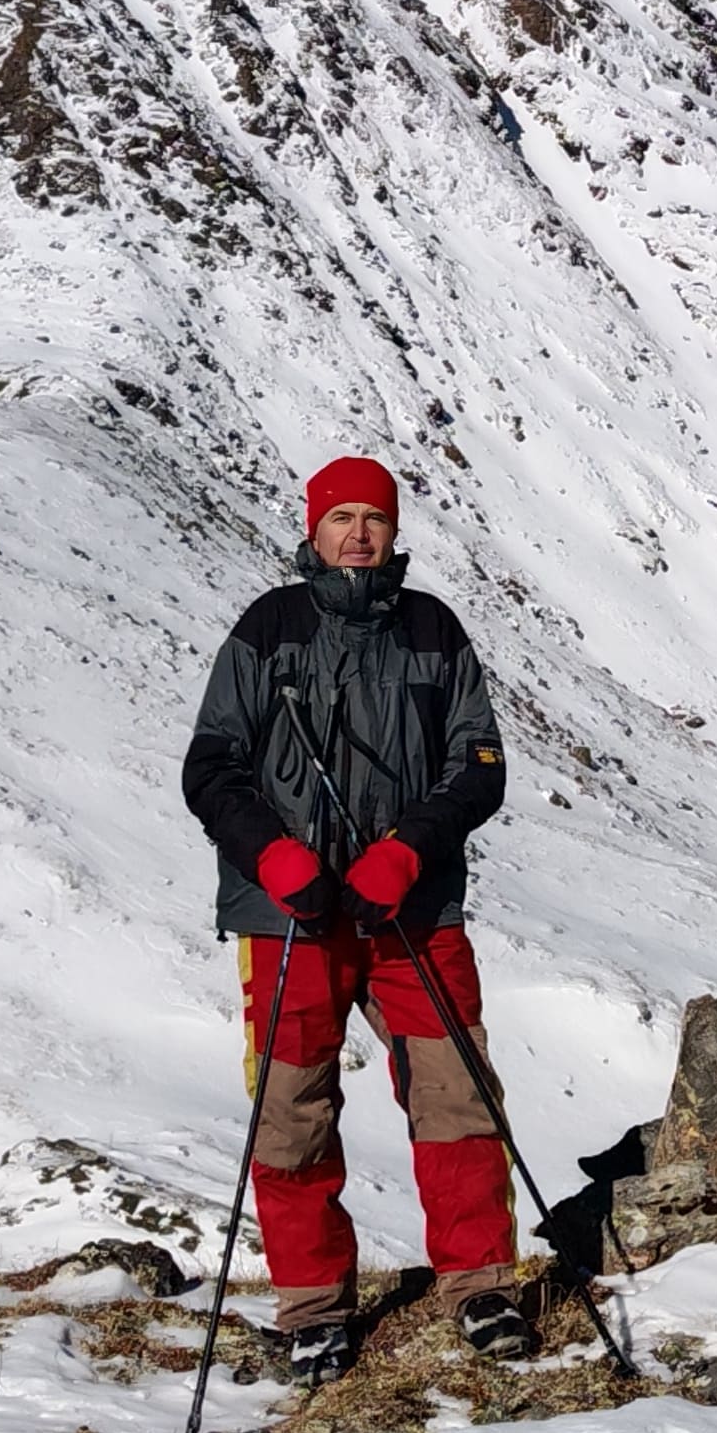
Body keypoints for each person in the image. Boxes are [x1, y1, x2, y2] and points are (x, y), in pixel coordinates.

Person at [179, 455, 529, 1382]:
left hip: (413, 906)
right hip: (289, 916)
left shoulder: (433, 629)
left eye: (373, 517)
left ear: (394, 529)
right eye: (341, 518)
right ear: (314, 529)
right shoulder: (270, 629)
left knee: (457, 1093)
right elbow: (211, 768)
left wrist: (408, 849)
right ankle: (314, 1310)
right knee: (291, 1108)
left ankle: (481, 1286)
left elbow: (480, 763)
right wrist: (274, 855)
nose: (359, 534)